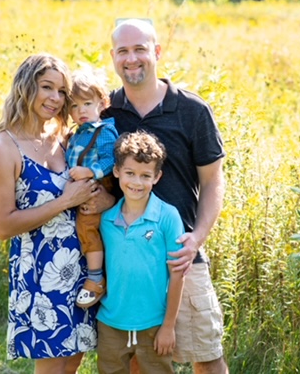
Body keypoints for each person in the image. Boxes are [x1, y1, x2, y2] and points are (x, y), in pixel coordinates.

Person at [98, 18, 228, 373]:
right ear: (113, 56)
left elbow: (213, 182)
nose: (131, 59)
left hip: (180, 257)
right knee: (139, 361)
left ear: (156, 51)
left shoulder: (192, 111)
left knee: (207, 356)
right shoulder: (105, 111)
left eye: (140, 49)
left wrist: (196, 239)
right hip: (128, 260)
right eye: (123, 51)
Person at [0, 53, 100, 374]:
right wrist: (64, 201)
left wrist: (98, 199)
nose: (55, 98)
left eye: (62, 91)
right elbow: (3, 225)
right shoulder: (2, 148)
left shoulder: (65, 139)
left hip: (81, 268)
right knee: (51, 367)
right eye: (47, 87)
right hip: (40, 272)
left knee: (72, 364)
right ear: (25, 87)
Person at [96, 130, 185, 374]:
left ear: (157, 177)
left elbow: (177, 274)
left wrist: (168, 326)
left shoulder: (168, 216)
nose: (136, 182)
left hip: (154, 323)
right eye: (130, 173)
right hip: (111, 322)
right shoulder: (106, 219)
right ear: (116, 171)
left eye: (145, 175)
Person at [65, 69, 119, 308]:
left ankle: (96, 279)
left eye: (87, 104)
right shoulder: (78, 133)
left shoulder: (103, 131)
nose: (81, 111)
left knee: (87, 228)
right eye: (74, 106)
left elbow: (111, 160)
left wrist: (90, 172)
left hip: (96, 186)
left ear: (102, 103)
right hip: (81, 186)